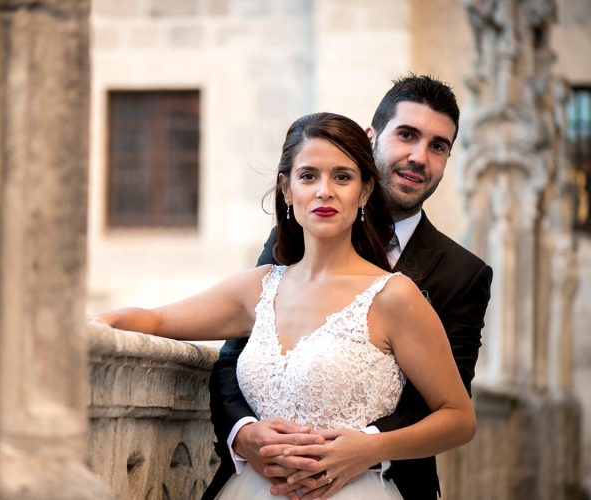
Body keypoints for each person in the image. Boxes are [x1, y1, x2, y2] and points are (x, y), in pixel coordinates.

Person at [95, 111, 477, 499]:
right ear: (286, 188)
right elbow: (157, 320)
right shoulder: (259, 287)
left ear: (363, 192)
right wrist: (96, 322)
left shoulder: (394, 296)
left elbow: (458, 418)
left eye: (341, 177)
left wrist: (371, 448)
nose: (324, 191)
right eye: (309, 176)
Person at [204, 75, 493, 500]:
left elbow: (443, 402)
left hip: (385, 484)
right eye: (407, 135)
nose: (419, 157)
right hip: (265, 482)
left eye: (438, 146)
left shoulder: (464, 274)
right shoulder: (303, 233)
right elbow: (236, 356)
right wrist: (243, 433)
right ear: (370, 136)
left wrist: (363, 449)